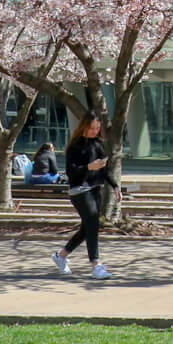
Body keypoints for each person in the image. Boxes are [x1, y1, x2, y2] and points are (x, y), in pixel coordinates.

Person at [52, 115, 117, 279]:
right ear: (84, 127)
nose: (95, 131)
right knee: (93, 223)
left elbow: (104, 169)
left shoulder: (98, 144)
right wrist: (89, 167)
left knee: (87, 228)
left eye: (97, 128)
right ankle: (96, 265)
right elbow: (71, 171)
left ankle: (61, 256)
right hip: (79, 190)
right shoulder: (75, 146)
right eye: (92, 128)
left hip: (95, 189)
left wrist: (115, 186)